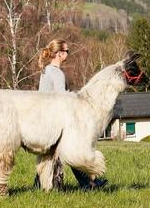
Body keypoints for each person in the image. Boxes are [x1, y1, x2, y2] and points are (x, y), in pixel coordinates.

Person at [36, 39, 106, 190]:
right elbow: (64, 100)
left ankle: (39, 186)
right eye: (67, 51)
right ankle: (88, 184)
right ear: (60, 54)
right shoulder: (57, 73)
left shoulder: (46, 70)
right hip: (56, 120)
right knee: (72, 150)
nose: (68, 54)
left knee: (51, 155)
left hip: (45, 119)